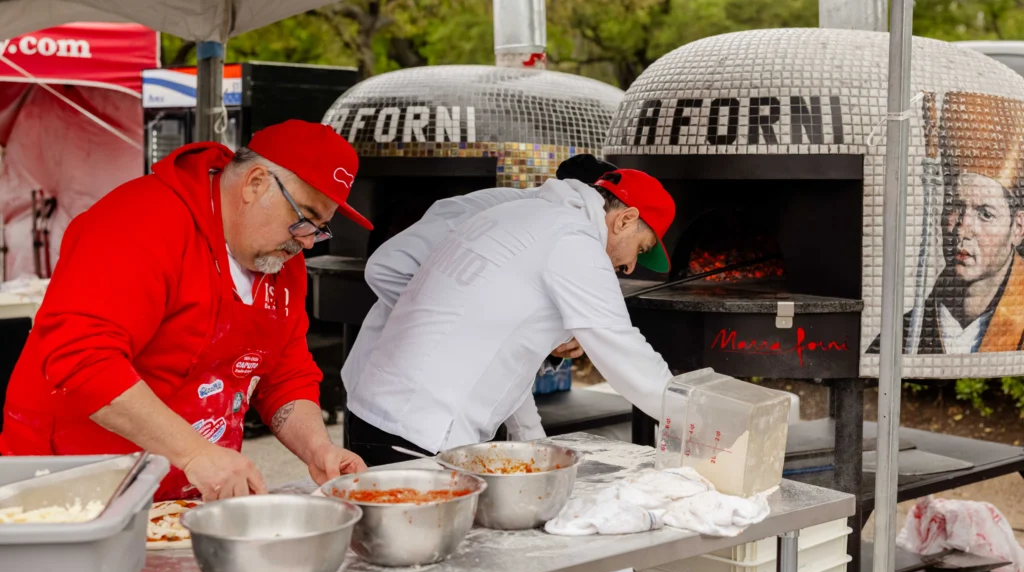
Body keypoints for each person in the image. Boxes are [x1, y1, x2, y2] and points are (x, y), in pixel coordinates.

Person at [0, 120, 371, 500]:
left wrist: (318, 449)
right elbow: (82, 357)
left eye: (320, 228)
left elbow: (284, 374)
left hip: (185, 493)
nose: (307, 242)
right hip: (68, 483)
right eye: (304, 218)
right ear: (255, 182)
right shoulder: (140, 221)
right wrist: (194, 452)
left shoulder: (278, 261)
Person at [343, 168, 676, 465]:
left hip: (380, 418)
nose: (631, 266)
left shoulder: (520, 213)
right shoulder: (573, 240)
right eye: (641, 248)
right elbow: (624, 352)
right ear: (624, 220)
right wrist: (697, 419)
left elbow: (504, 346)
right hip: (418, 430)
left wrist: (534, 440)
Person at [869, 91, 1024, 354]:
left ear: (1018, 228)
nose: (963, 229)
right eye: (955, 208)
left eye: (985, 214)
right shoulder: (906, 332)